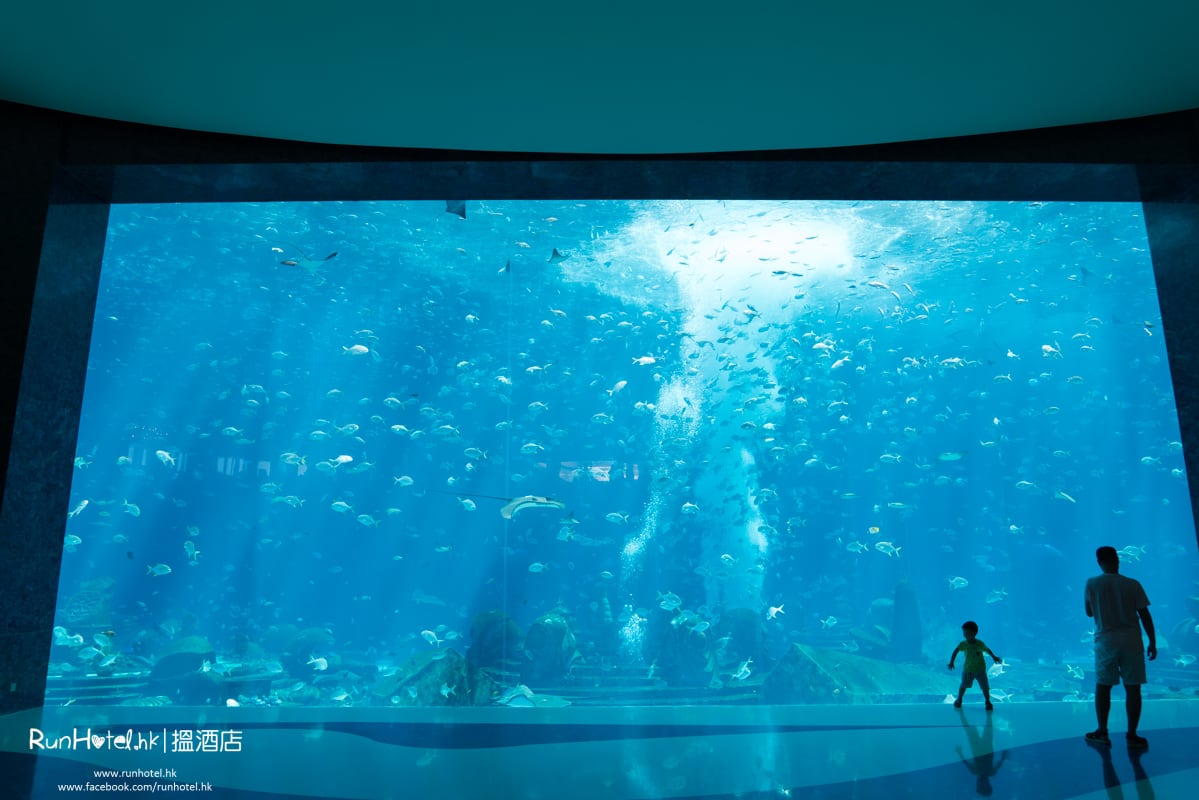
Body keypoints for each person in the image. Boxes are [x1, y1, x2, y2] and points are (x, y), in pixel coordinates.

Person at [1084, 545, 1156, 749]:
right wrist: (1152, 641)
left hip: (1106, 641)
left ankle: (1102, 732)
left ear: (1099, 562)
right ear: (1117, 559)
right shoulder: (1132, 584)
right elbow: (1144, 615)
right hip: (1132, 641)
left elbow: (1089, 612)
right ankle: (1132, 734)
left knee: (1103, 687)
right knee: (1133, 688)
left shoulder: (1092, 583)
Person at [948, 620, 1002, 710]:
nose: (964, 634)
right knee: (963, 685)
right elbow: (955, 651)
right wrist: (951, 662)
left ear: (974, 633)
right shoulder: (963, 644)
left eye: (966, 632)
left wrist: (994, 657)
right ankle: (959, 699)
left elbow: (987, 649)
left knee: (985, 687)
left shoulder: (979, 643)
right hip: (968, 669)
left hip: (980, 669)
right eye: (964, 632)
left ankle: (988, 701)